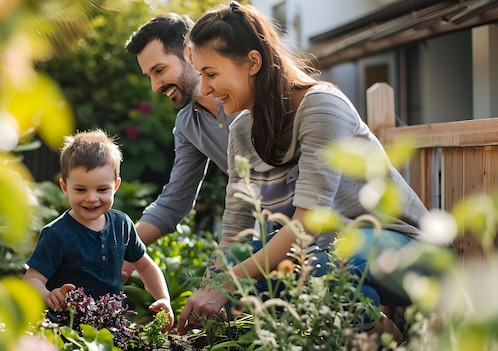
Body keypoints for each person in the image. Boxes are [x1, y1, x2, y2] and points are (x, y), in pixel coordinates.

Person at [176, 1, 454, 342]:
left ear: (252, 62)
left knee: (309, 260)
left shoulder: (321, 105)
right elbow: (235, 234)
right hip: (335, 255)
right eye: (201, 75)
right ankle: (377, 334)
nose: (204, 90)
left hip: (413, 256)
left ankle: (388, 342)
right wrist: (209, 290)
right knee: (263, 266)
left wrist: (229, 281)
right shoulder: (240, 132)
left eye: (212, 74)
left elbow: (307, 224)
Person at [122, 13, 246, 281]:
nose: (155, 87)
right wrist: (121, 252)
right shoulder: (188, 123)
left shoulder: (247, 100)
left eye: (159, 70)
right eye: (149, 76)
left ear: (190, 55)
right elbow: (174, 202)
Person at [23, 129, 174, 333]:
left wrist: (163, 299)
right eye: (80, 190)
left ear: (116, 186)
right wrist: (48, 295)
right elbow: (32, 279)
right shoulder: (57, 234)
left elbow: (145, 266)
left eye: (102, 190)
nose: (92, 198)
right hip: (67, 329)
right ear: (65, 187)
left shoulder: (122, 224)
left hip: (111, 327)